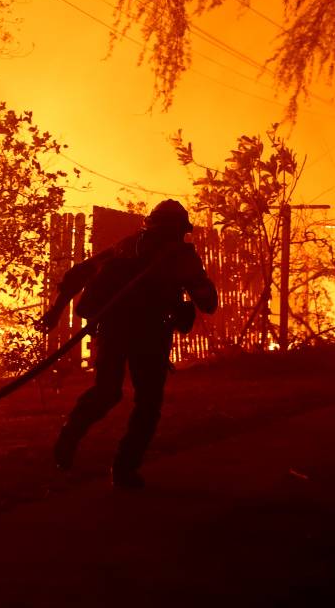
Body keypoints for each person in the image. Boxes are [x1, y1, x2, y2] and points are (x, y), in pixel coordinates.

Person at [38, 200, 218, 489]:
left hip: (115, 330)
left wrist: (56, 311)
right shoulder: (181, 257)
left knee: (108, 391)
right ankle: (124, 469)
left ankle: (71, 435)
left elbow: (79, 274)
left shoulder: (127, 245)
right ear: (181, 229)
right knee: (147, 403)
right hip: (149, 334)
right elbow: (208, 303)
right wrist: (193, 290)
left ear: (150, 223)